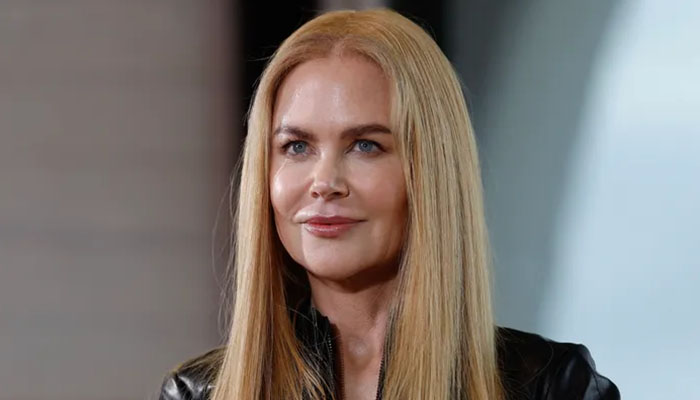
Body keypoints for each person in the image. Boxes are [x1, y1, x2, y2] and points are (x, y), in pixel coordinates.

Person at [159, 8, 619, 400]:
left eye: (365, 145)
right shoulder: (198, 393)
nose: (324, 183)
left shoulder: (551, 386)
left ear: (431, 171)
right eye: (297, 146)